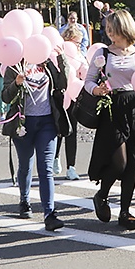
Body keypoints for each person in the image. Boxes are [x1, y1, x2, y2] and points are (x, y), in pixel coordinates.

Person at [85, 9, 135, 230]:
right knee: (119, 162)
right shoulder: (103, 53)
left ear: (124, 28)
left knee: (134, 162)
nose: (109, 33)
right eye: (107, 29)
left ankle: (125, 211)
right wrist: (97, 90)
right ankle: (102, 195)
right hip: (113, 107)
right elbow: (88, 81)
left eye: (113, 29)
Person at [1, 50, 70, 232]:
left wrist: (62, 60)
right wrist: (16, 83)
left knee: (46, 168)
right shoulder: (14, 65)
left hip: (47, 122)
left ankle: (50, 213)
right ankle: (24, 200)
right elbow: (5, 96)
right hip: (23, 122)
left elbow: (63, 83)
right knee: (25, 164)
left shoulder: (46, 62)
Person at [55, 24, 84, 180]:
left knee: (72, 132)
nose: (78, 45)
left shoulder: (79, 55)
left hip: (73, 96)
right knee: (60, 130)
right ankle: (56, 157)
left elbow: (84, 71)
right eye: (76, 42)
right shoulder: (58, 53)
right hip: (60, 97)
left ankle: (71, 167)